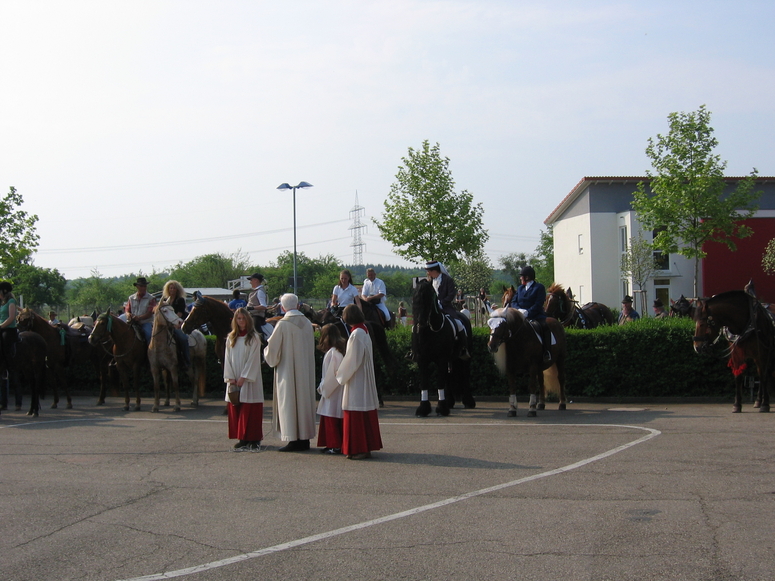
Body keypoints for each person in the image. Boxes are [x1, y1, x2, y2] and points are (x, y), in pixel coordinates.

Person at [263, 293, 317, 452]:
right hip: (305, 371)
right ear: (298, 305)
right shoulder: (307, 323)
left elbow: (272, 351)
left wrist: (266, 353)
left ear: (282, 307)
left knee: (289, 402)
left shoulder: (283, 324)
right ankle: (304, 438)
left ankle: (293, 438)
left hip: (288, 371)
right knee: (303, 402)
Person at [336, 305, 383, 460]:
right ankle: (365, 446)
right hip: (363, 375)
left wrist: (340, 375)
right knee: (364, 412)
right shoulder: (363, 330)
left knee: (355, 412)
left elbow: (352, 360)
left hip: (357, 378)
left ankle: (359, 448)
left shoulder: (356, 333)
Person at [224, 308, 264, 452]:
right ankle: (242, 438)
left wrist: (244, 377)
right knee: (238, 408)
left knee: (250, 408)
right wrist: (230, 377)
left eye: (243, 318)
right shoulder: (231, 338)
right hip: (234, 376)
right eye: (238, 318)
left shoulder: (253, 337)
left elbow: (254, 359)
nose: (241, 321)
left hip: (248, 379)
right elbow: (227, 358)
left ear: (248, 320)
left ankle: (254, 438)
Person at [425, 261, 472, 359]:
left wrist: (441, 303)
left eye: (429, 271)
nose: (427, 273)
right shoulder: (428, 281)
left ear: (435, 270)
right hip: (431, 308)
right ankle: (414, 350)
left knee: (459, 324)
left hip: (445, 307)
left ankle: (464, 348)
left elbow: (451, 294)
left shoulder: (448, 280)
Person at [508, 265, 552, 362]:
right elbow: (514, 302)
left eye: (522, 276)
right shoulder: (520, 288)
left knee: (544, 326)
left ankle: (547, 351)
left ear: (527, 277)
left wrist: (528, 312)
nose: (520, 278)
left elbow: (538, 303)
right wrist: (519, 311)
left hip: (535, 315)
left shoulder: (539, 287)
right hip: (520, 315)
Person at [316, 324, 346, 454]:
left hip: (332, 391)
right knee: (334, 416)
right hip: (338, 390)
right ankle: (331, 444)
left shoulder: (332, 354)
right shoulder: (338, 352)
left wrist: (322, 388)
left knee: (331, 417)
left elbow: (330, 376)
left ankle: (334, 444)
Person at [161, 280, 191, 370]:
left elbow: (180, 313)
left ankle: (186, 360)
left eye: (174, 288)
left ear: (177, 290)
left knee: (183, 338)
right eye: (171, 288)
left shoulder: (180, 300)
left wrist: (173, 323)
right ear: (168, 289)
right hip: (167, 324)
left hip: (178, 322)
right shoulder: (165, 301)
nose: (172, 290)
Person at [126, 277, 157, 344]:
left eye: (144, 286)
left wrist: (139, 318)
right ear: (137, 287)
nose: (143, 288)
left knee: (148, 335)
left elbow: (150, 313)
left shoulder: (151, 298)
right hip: (132, 322)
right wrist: (128, 315)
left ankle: (149, 352)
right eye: (141, 286)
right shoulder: (131, 298)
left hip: (145, 322)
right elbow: (127, 310)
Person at [246, 273, 273, 340]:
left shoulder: (260, 291)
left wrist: (252, 308)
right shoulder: (255, 291)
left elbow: (263, 306)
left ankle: (262, 342)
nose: (250, 282)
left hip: (257, 316)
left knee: (256, 330)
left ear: (256, 280)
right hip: (250, 314)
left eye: (251, 280)